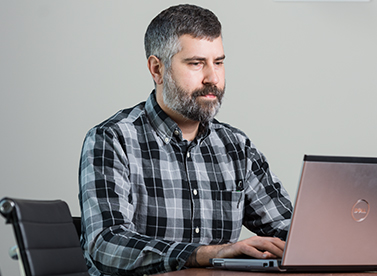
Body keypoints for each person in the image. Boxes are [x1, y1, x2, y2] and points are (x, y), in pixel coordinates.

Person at [78, 4, 293, 276]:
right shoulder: (112, 140)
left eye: (218, 62)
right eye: (196, 63)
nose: (212, 78)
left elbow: (290, 232)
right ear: (157, 69)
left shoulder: (236, 147)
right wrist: (205, 254)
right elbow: (107, 244)